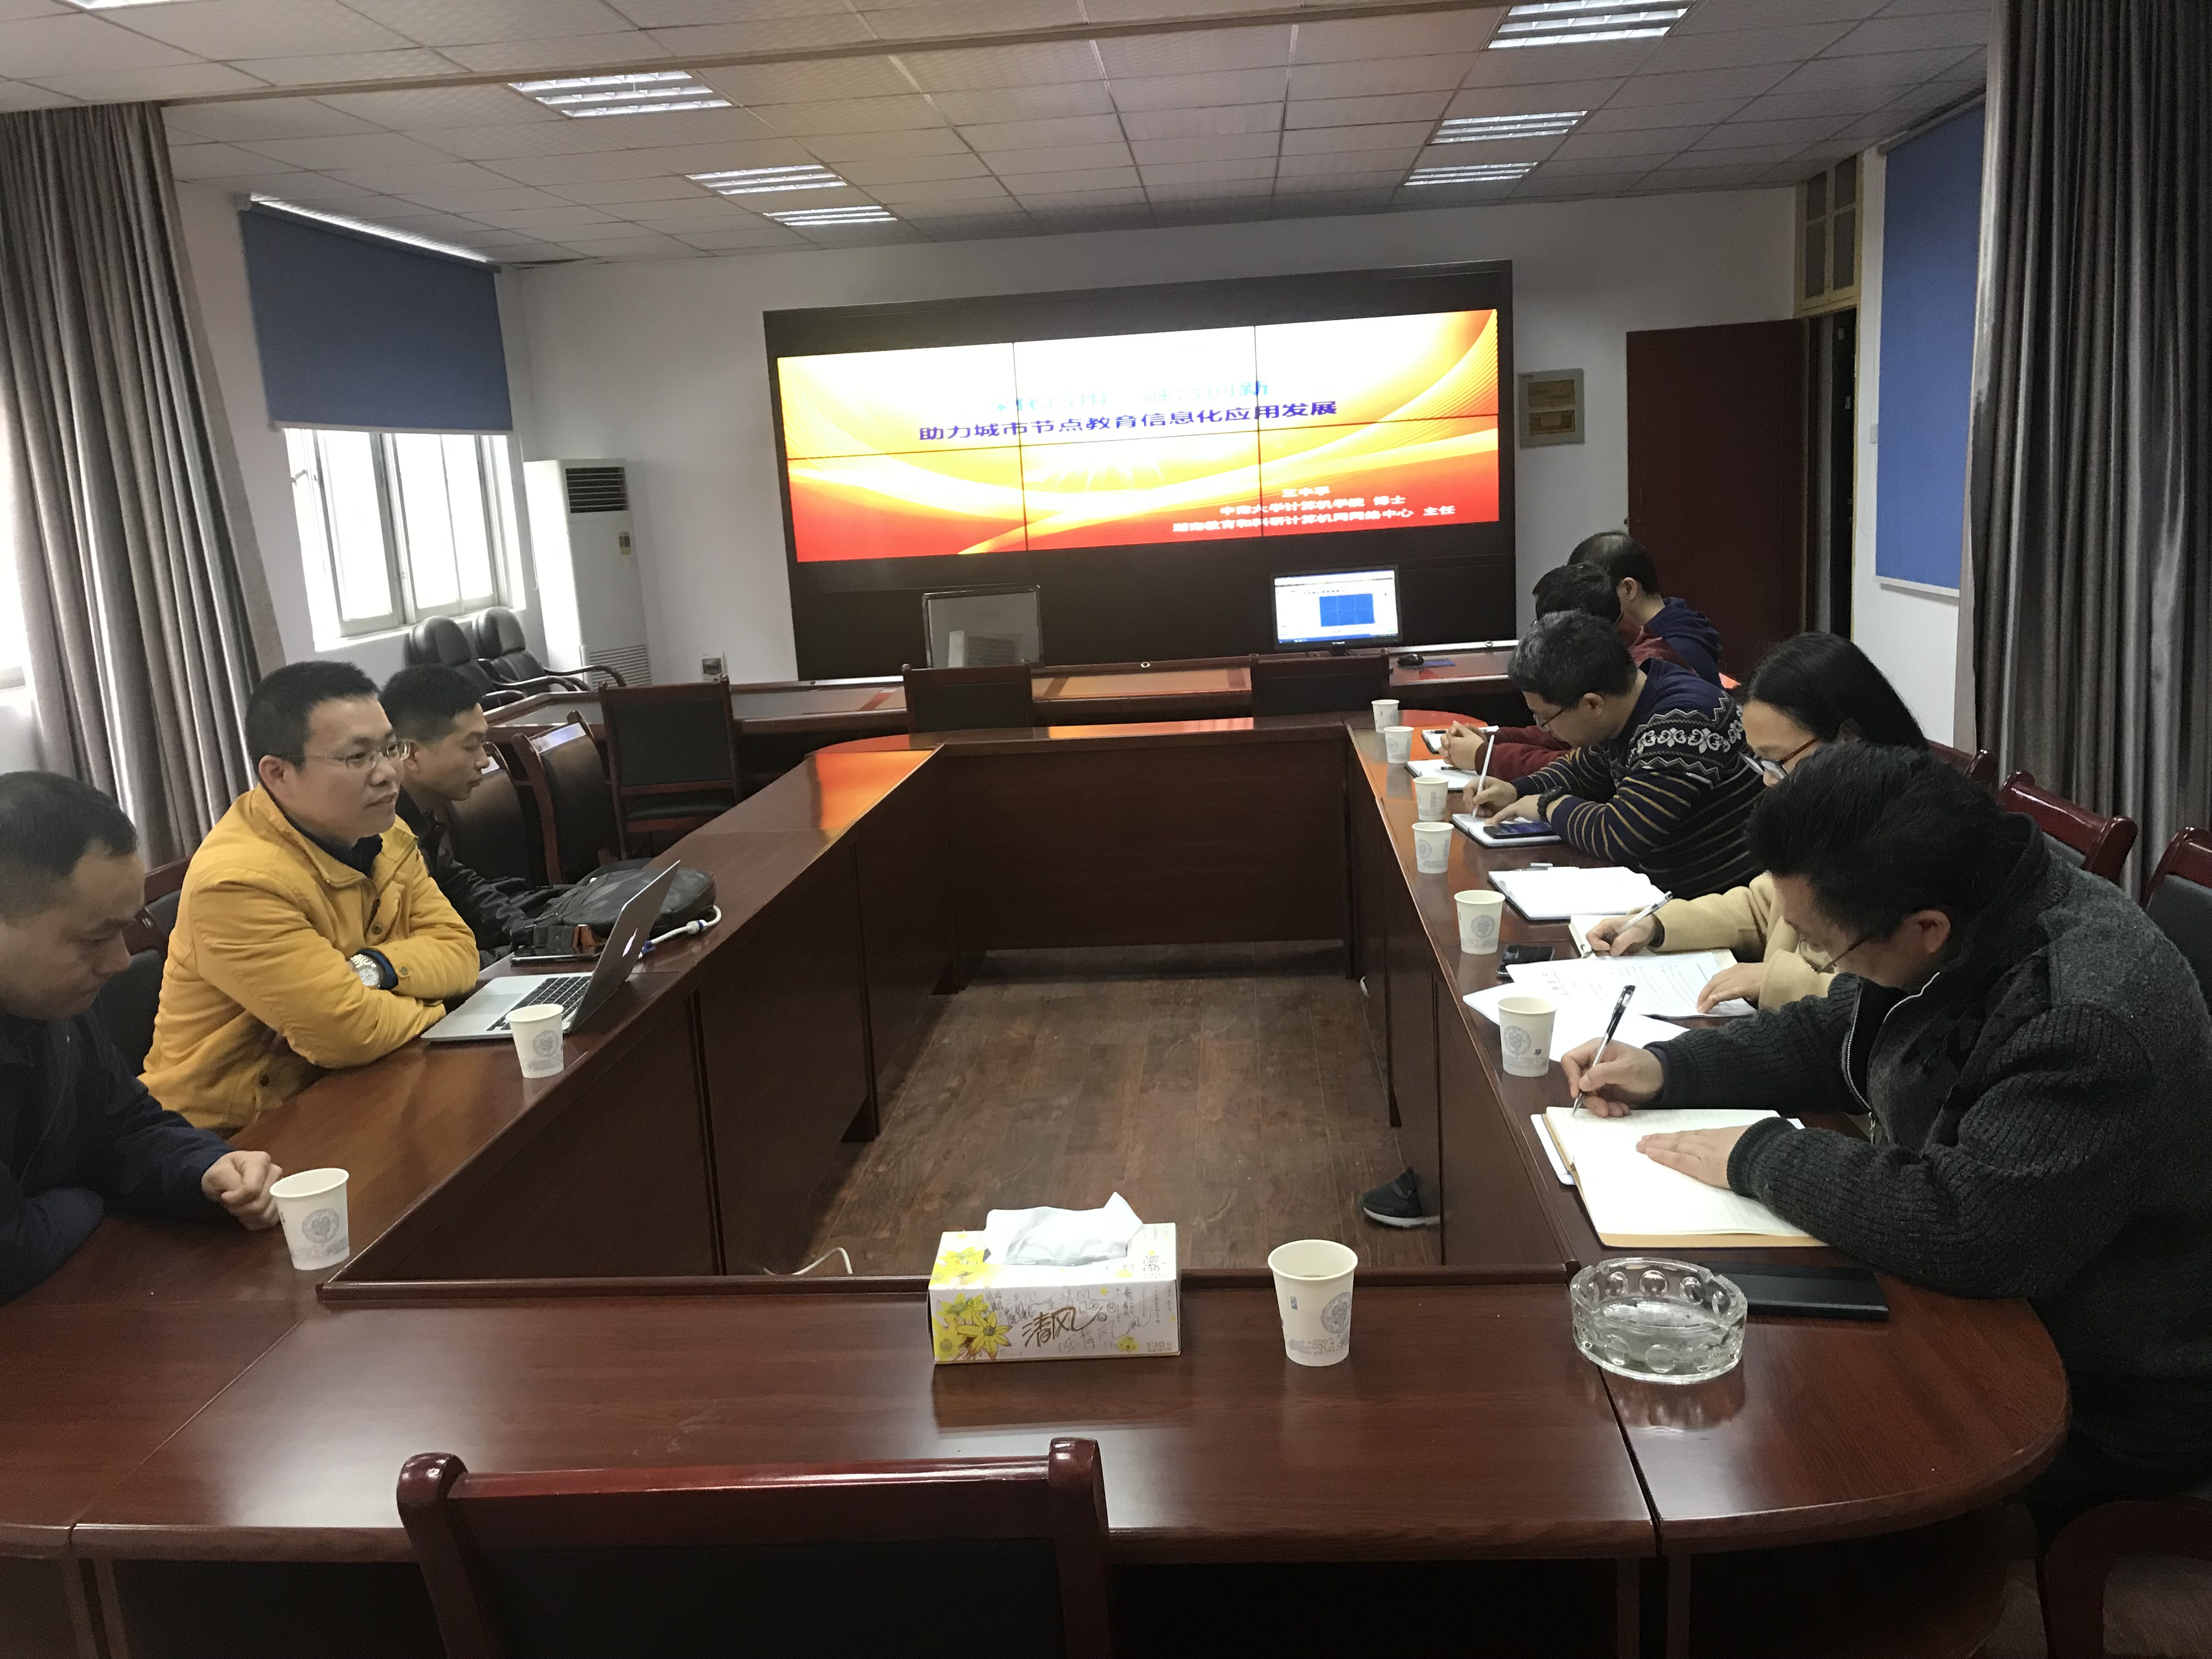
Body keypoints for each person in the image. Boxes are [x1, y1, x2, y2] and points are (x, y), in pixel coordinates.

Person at [1565, 745, 2212, 1527]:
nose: (1810, 955)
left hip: (2099, 1383)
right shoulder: (1973, 907)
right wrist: (1671, 1068)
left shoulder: (2080, 1018)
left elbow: (1971, 1229)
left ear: (1926, 929)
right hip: (2000, 1299)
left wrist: (1760, 1153)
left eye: (1821, 946)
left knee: (1749, 1449)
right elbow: (1841, 1032)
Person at [141, 662, 479, 1135]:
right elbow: (351, 1035)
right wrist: (444, 1006)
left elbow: (461, 952)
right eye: (358, 757)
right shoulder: (237, 882)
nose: (388, 774)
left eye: (390, 749)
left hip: (354, 1085)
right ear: (278, 773)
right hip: (235, 1137)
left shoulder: (387, 833)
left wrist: (369, 970)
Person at [0, 774, 280, 1300]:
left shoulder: (51, 1004)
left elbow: (124, 1126)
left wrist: (206, 1168)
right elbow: (10, 1252)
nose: (120, 961)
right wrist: (88, 1193)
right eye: (95, 938)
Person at [1582, 633, 1927, 1011]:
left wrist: (1775, 980)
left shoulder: (1912, 836)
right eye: (1759, 761)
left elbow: (1897, 995)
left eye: (1778, 760)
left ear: (1848, 738)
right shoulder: (1825, 813)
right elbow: (1764, 906)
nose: (1768, 779)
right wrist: (1657, 925)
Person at [1467, 611, 1763, 900]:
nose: (1545, 728)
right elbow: (1584, 772)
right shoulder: (1630, 701)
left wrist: (1547, 806)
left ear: (1592, 704)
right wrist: (1517, 790)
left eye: (1545, 718)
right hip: (1667, 893)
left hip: (1718, 902)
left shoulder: (1681, 721)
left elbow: (1620, 834)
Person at [1443, 561, 1696, 783]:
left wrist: (1488, 756)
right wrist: (1495, 739)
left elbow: (1589, 770)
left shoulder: (1642, 682)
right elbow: (1573, 744)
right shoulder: (1618, 665)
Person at [381, 664, 555, 957]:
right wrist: (511, 959)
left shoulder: (419, 812)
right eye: (470, 746)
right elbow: (417, 953)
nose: (484, 760)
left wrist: (527, 933)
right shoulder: (382, 831)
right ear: (411, 755)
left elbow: (457, 882)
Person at [1568, 530, 1725, 683]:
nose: (1586, 611)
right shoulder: (1674, 622)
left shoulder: (1670, 655)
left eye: (1594, 594)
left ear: (1629, 588)